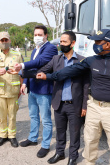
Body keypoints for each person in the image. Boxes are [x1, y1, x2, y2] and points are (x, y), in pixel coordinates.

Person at [36, 29, 110, 165]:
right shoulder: (91, 61)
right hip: (94, 108)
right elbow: (67, 72)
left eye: (98, 42)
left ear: (108, 44)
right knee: (90, 142)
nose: (95, 44)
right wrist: (48, 76)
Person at [37, 31, 89, 165]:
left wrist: (84, 106)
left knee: (75, 133)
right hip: (59, 103)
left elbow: (86, 86)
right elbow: (42, 70)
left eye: (64, 42)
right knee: (60, 131)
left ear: (73, 43)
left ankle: (73, 156)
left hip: (75, 105)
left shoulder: (82, 61)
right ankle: (59, 153)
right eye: (60, 42)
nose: (61, 44)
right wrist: (22, 71)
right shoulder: (56, 59)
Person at [14, 25, 58, 158]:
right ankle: (33, 138)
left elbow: (40, 62)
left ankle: (45, 145)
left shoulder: (51, 48)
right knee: (33, 116)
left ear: (46, 36)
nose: (37, 37)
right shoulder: (35, 50)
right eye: (35, 35)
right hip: (32, 88)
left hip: (44, 89)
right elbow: (32, 69)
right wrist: (25, 83)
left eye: (40, 34)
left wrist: (22, 65)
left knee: (45, 119)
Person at [0, 31, 23, 148]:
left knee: (12, 115)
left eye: (6, 40)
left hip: (13, 91)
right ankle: (3, 135)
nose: (4, 42)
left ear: (9, 41)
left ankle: (12, 135)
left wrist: (21, 87)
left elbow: (21, 72)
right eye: (2, 40)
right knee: (1, 115)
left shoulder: (17, 54)